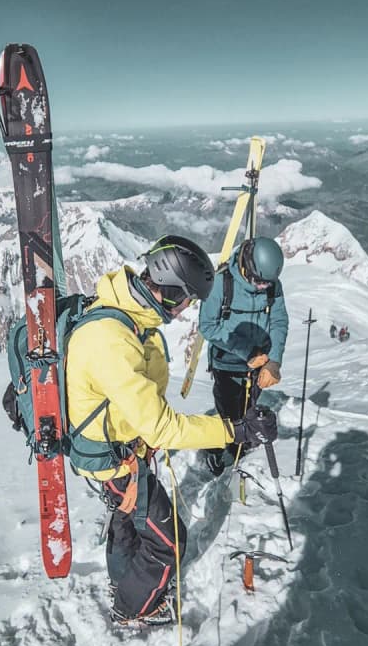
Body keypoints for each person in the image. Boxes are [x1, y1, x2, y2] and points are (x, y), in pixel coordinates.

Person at [65, 234, 278, 626]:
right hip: (113, 458)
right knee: (169, 543)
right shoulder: (112, 340)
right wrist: (235, 430)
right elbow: (164, 427)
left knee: (128, 517)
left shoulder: (129, 317)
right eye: (186, 301)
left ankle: (126, 582)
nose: (183, 313)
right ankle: (133, 609)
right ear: (170, 292)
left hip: (123, 447)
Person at [197, 236, 288, 476]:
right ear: (247, 265)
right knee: (228, 415)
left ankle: (242, 453)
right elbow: (208, 326)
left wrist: (274, 360)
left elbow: (279, 321)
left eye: (267, 283)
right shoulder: (221, 283)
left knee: (249, 411)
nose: (263, 287)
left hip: (260, 364)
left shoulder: (272, 284)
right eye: (259, 282)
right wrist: (247, 352)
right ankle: (217, 452)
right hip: (226, 364)